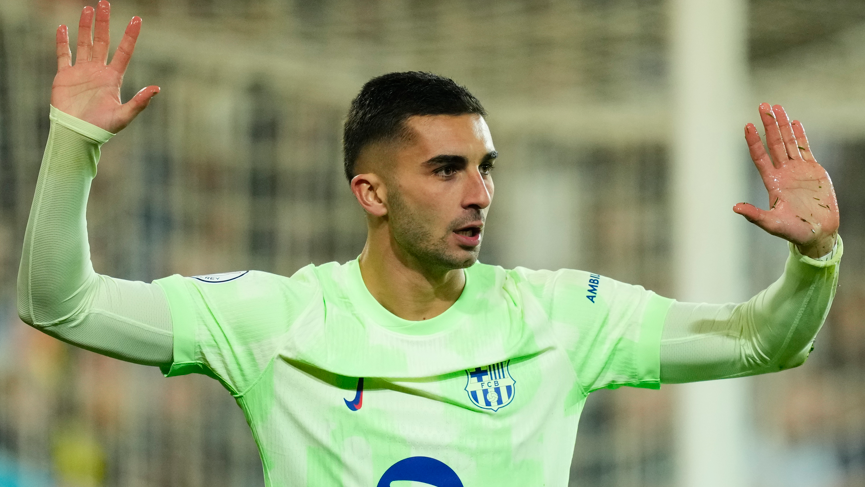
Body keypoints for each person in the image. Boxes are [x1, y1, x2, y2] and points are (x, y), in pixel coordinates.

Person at [17, 2, 841, 486]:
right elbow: (61, 303)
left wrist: (811, 260)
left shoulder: (562, 314)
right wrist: (74, 142)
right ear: (368, 192)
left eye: (485, 167)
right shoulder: (276, 317)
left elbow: (760, 339)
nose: (477, 191)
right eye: (445, 169)